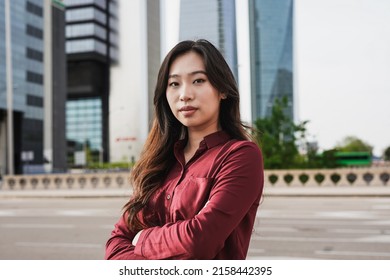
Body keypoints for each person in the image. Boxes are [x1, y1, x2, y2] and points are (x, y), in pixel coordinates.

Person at [105, 39, 264, 260]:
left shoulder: (240, 155)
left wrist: (141, 239)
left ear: (223, 90)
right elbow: (115, 244)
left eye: (198, 80)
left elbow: (200, 240)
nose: (184, 94)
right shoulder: (158, 163)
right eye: (174, 84)